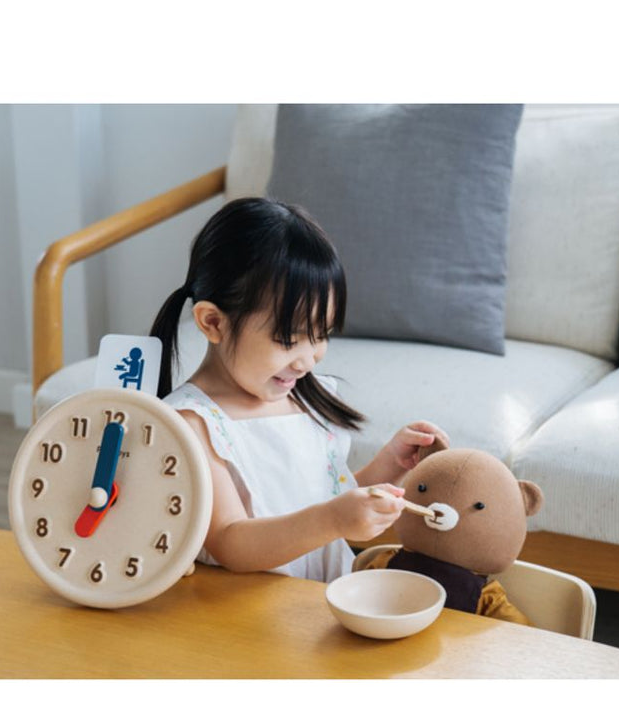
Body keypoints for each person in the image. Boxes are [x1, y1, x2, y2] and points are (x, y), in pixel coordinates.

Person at [150, 196, 448, 583]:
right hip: (246, 618)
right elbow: (230, 541)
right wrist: (333, 519)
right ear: (213, 323)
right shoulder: (192, 423)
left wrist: (386, 467)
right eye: (289, 340)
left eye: (321, 335)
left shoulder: (300, 399)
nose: (309, 360)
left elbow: (316, 499)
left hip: (318, 607)